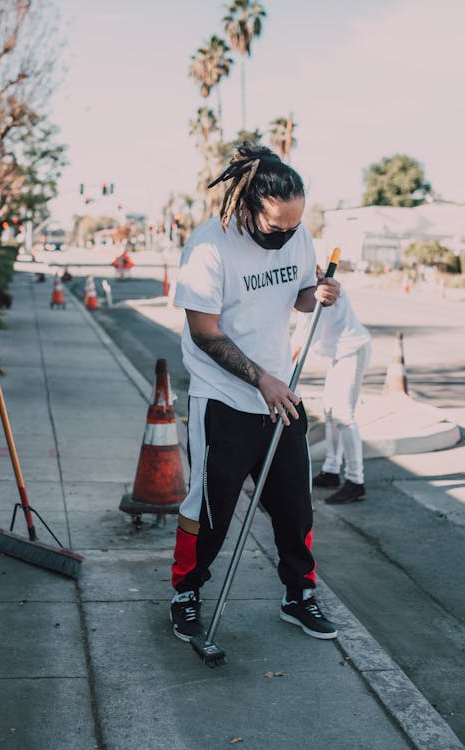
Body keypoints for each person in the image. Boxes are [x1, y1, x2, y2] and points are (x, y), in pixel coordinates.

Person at [170, 143, 341, 643]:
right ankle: (186, 592)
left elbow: (301, 298)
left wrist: (320, 294)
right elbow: (204, 331)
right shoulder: (209, 247)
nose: (286, 236)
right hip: (222, 397)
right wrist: (260, 379)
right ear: (246, 207)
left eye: (294, 227)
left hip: (280, 397)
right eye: (275, 228)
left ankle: (299, 595)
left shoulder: (297, 235)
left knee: (295, 507)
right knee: (208, 511)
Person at [291, 264, 372, 504]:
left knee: (343, 415)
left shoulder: (320, 292)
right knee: (329, 411)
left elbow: (301, 340)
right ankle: (331, 471)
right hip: (340, 353)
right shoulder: (314, 289)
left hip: (352, 350)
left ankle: (356, 482)